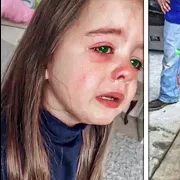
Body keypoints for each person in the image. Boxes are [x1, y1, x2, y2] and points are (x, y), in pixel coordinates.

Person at [1, 0, 143, 179]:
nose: (128, 72)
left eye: (136, 62)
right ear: (45, 55)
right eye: (103, 48)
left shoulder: (89, 138)